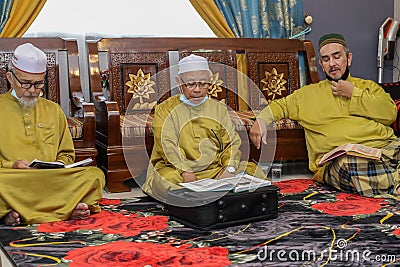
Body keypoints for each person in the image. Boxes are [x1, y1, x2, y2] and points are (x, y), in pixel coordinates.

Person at [250, 33, 400, 199]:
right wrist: (261, 120)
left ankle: (388, 183)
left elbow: (390, 113)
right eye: (326, 59)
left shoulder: (368, 87)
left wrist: (354, 94)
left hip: (385, 149)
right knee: (348, 167)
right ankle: (394, 182)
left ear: (348, 58)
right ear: (321, 65)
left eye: (337, 57)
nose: (332, 64)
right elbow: (280, 106)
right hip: (345, 160)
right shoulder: (307, 94)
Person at [0, 43, 105, 226]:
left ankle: (18, 212)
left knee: (94, 175)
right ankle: (65, 209)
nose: (32, 90)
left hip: (50, 180)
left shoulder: (53, 110)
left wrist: (60, 166)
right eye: (26, 83)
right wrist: (12, 165)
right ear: (10, 77)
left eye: (38, 84)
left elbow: (66, 153)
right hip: (14, 180)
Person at [142, 54, 266, 201]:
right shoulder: (165, 109)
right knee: (165, 182)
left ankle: (205, 196)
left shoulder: (218, 108)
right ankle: (215, 196)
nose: (197, 89)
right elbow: (166, 144)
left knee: (255, 172)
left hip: (215, 170)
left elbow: (231, 143)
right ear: (179, 82)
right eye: (190, 84)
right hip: (178, 171)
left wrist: (229, 169)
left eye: (203, 84)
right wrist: (186, 171)